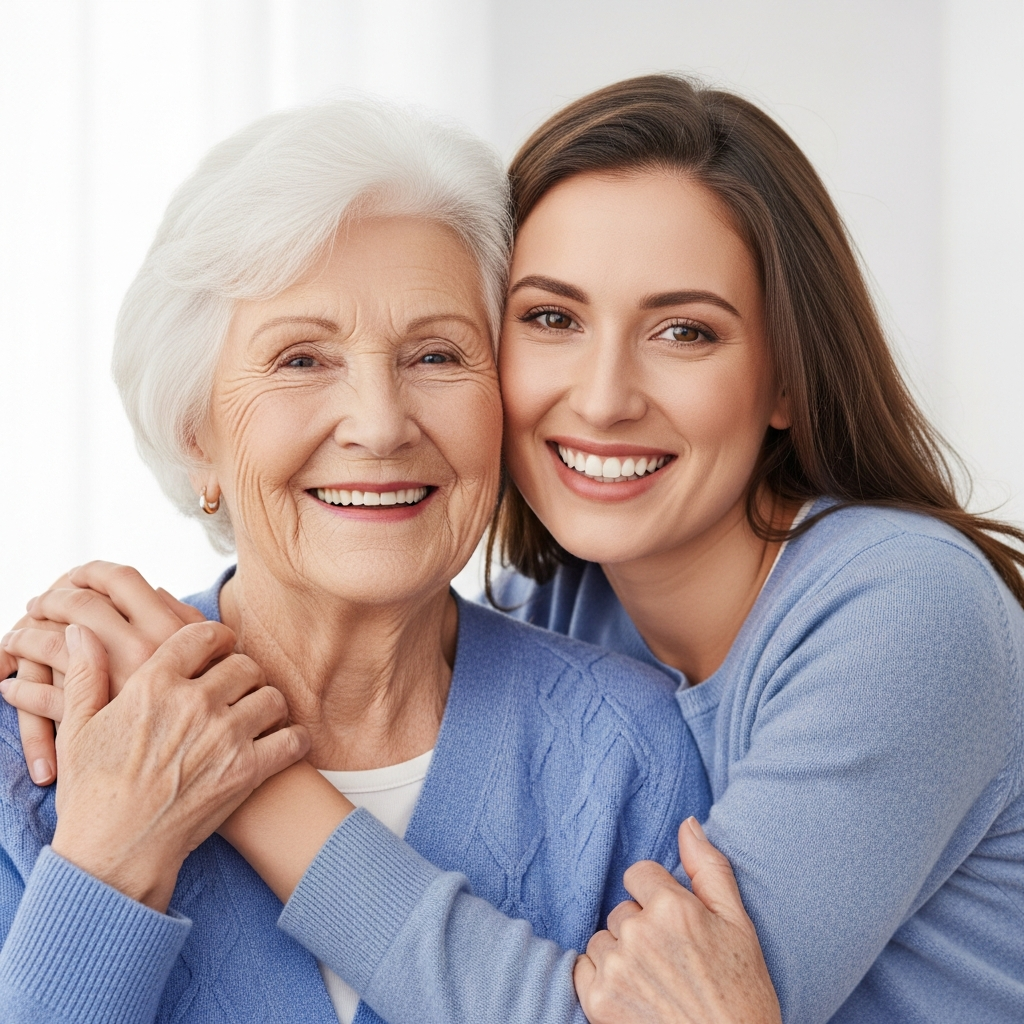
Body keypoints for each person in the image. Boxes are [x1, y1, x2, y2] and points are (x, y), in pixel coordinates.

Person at [9, 73, 1023, 1023]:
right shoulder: (57, 734)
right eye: (552, 318)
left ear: (791, 376)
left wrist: (251, 775)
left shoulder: (889, 616)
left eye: (685, 332)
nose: (602, 396)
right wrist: (102, 830)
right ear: (196, 432)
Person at [0, 98, 726, 1024]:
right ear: (196, 434)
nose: (382, 424)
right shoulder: (35, 741)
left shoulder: (633, 751)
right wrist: (104, 863)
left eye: (436, 354)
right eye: (301, 360)